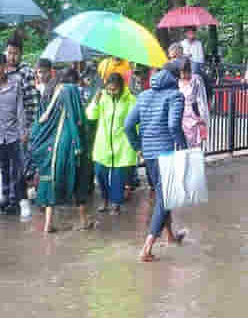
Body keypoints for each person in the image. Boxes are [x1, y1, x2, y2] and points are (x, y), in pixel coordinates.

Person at [124, 61, 189, 262]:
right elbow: (173, 126)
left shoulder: (144, 95)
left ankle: (170, 236)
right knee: (165, 198)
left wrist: (138, 148)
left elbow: (128, 125)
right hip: (166, 154)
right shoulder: (175, 96)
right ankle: (147, 248)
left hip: (150, 155)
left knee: (163, 195)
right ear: (176, 78)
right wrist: (184, 148)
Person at [29, 69, 95, 233]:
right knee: (79, 179)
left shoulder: (50, 91)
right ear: (74, 80)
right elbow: (78, 118)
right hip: (68, 143)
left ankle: (48, 224)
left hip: (49, 145)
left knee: (50, 180)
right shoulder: (70, 90)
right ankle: (84, 221)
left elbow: (41, 120)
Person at [85, 73, 137, 215]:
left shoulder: (131, 100)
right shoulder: (102, 97)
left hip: (122, 145)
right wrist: (95, 102)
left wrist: (135, 143)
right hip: (103, 144)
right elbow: (90, 116)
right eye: (109, 89)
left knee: (118, 177)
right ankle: (105, 199)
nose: (111, 92)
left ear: (121, 87)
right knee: (100, 173)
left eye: (114, 89)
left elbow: (135, 123)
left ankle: (116, 203)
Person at [0, 63, 27, 215]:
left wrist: (23, 132)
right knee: (3, 168)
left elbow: (20, 110)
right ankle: (5, 197)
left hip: (14, 135)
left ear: (3, 67)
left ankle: (14, 200)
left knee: (15, 169)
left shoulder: (15, 85)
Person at [178, 60, 210, 149]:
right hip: (181, 114)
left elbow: (201, 98)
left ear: (188, 71)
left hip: (194, 113)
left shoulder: (196, 79)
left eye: (183, 72)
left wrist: (203, 117)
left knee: (195, 143)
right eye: (181, 73)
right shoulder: (177, 81)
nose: (182, 76)